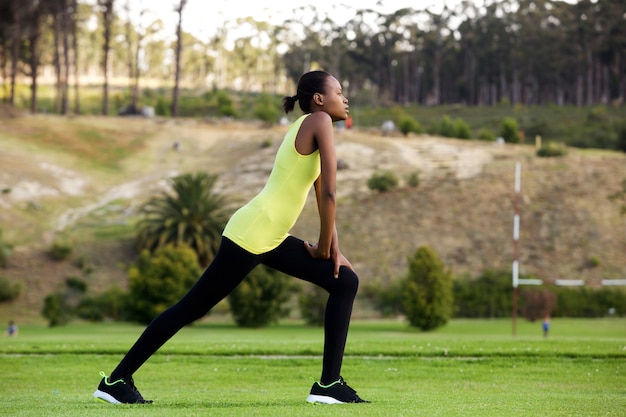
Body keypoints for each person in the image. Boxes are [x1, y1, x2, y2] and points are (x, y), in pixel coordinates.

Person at [93, 70, 368, 405]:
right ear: (319, 100)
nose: (346, 98)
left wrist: (334, 251)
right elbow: (329, 193)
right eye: (339, 91)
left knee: (344, 281)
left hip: (270, 235)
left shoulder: (312, 126)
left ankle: (328, 385)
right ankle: (116, 380)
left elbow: (320, 194)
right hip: (252, 234)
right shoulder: (320, 121)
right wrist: (323, 248)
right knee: (189, 308)